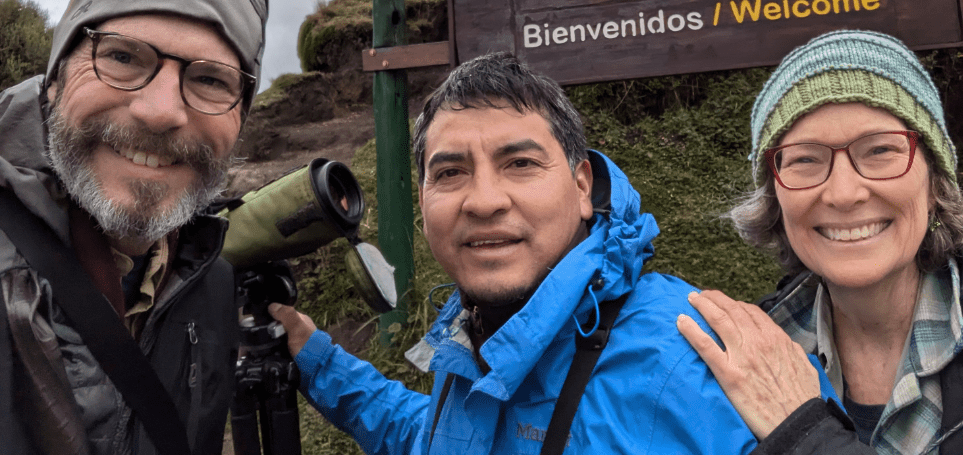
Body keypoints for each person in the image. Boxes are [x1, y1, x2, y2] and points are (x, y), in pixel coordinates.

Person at [269, 52, 835, 454]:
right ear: (423, 202)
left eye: (520, 163)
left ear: (583, 186)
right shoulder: (476, 331)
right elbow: (448, 438)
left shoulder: (696, 356)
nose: (484, 200)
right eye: (450, 172)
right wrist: (318, 359)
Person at [677, 29, 963, 454]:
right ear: (775, 197)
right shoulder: (748, 356)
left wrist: (806, 435)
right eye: (805, 160)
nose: (844, 193)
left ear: (934, 179)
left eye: (880, 151)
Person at [0, 0, 269, 454]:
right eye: (122, 56)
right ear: (55, 77)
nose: (160, 111)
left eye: (211, 80)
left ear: (241, 115)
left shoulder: (209, 283)